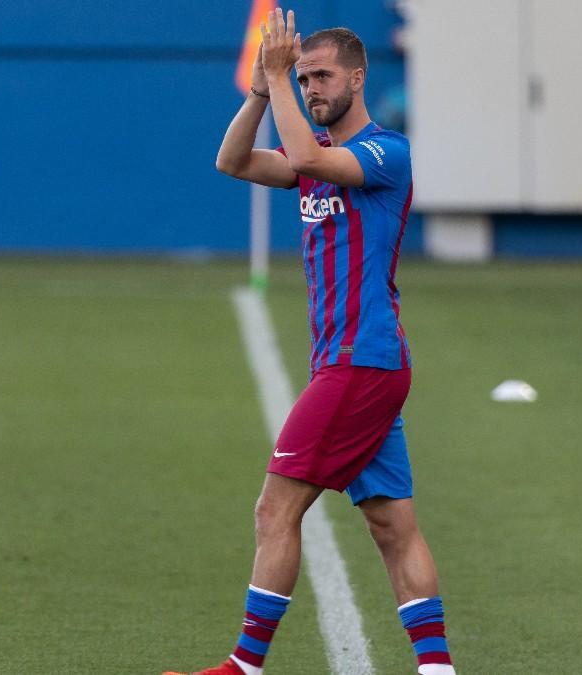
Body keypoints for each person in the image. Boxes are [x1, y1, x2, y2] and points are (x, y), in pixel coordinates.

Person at [166, 9, 456, 675]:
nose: (313, 87)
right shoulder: (313, 159)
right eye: (304, 77)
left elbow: (304, 154)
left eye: (322, 76)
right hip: (356, 364)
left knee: (275, 507)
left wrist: (278, 79)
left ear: (358, 76)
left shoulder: (386, 152)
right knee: (392, 524)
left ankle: (243, 666)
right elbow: (232, 159)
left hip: (362, 362)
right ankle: (438, 670)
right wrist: (263, 91)